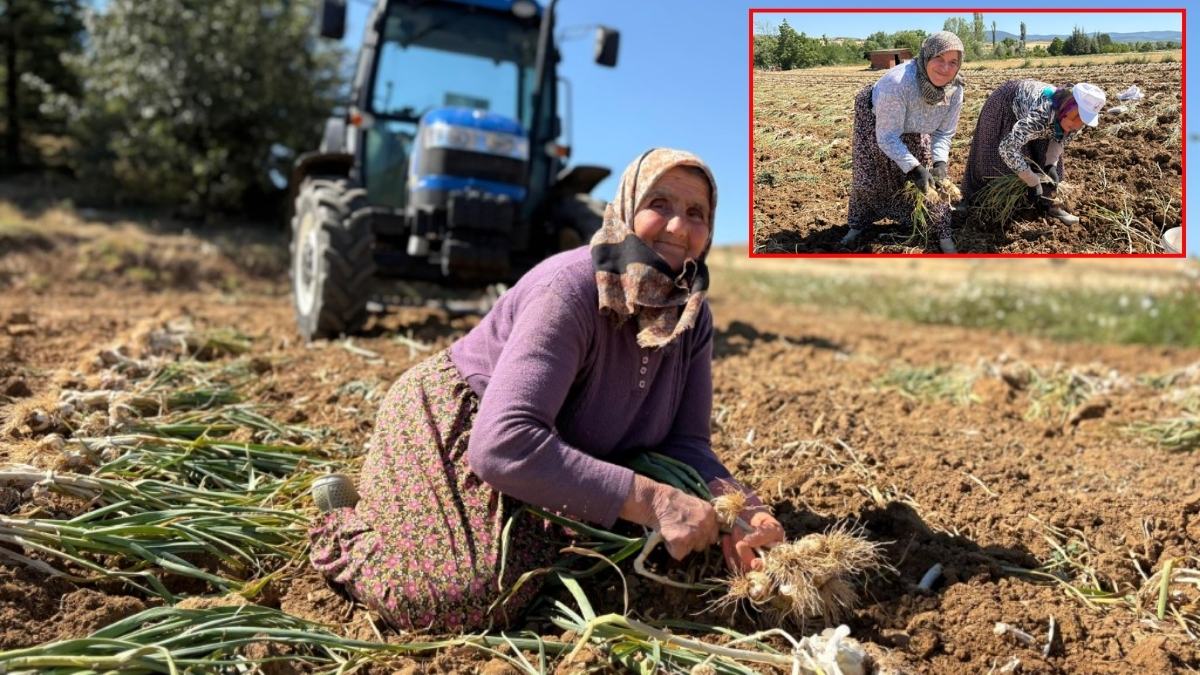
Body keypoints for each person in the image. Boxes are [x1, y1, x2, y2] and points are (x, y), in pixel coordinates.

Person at [308, 148, 785, 633]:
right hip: (463, 423)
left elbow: (686, 446)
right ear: (625, 207)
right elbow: (502, 442)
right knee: (471, 593)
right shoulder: (572, 290)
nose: (679, 228)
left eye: (696, 214)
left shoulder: (690, 313)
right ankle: (343, 524)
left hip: (550, 448)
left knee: (574, 559)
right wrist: (657, 501)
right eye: (658, 204)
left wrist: (738, 504)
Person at [841, 31, 965, 254]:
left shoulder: (954, 91)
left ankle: (943, 235)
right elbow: (887, 137)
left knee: (931, 188)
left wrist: (939, 163)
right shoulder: (898, 84)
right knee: (868, 182)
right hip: (877, 123)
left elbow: (944, 133)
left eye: (953, 62)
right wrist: (914, 167)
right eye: (939, 58)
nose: (945, 68)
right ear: (927, 56)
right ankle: (856, 227)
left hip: (916, 127)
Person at [960, 80, 1106, 226]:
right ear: (1067, 108)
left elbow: (1060, 140)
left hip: (1039, 114)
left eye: (1083, 122)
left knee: (1046, 162)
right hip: (1007, 103)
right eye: (1076, 118)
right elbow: (1007, 148)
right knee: (991, 157)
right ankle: (973, 199)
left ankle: (1051, 204)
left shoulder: (1074, 122)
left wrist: (1051, 164)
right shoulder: (1042, 114)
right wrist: (1031, 180)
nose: (1077, 126)